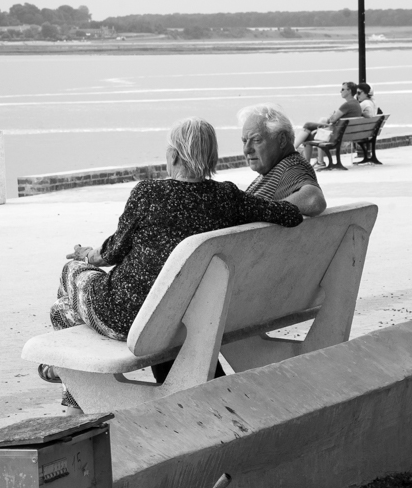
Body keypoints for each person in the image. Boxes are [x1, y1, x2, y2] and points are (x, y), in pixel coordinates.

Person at [40, 117, 304, 409]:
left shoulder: (148, 193)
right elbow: (290, 214)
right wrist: (308, 193)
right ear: (212, 156)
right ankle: (66, 379)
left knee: (69, 275)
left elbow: (111, 253)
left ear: (174, 155)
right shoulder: (227, 197)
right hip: (183, 317)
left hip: (126, 316)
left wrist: (86, 254)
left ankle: (70, 385)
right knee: (61, 309)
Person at [239, 104, 327, 217]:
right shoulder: (276, 169)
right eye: (244, 141)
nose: (247, 149)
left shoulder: (292, 167)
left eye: (256, 140)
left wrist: (258, 211)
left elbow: (314, 200)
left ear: (282, 140)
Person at [293, 82, 363, 167]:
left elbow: (332, 119)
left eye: (342, 89)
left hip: (335, 136)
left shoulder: (347, 105)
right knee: (315, 125)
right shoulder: (356, 104)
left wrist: (332, 116)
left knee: (308, 127)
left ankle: (294, 151)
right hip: (346, 135)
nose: (340, 91)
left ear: (349, 91)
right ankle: (316, 161)